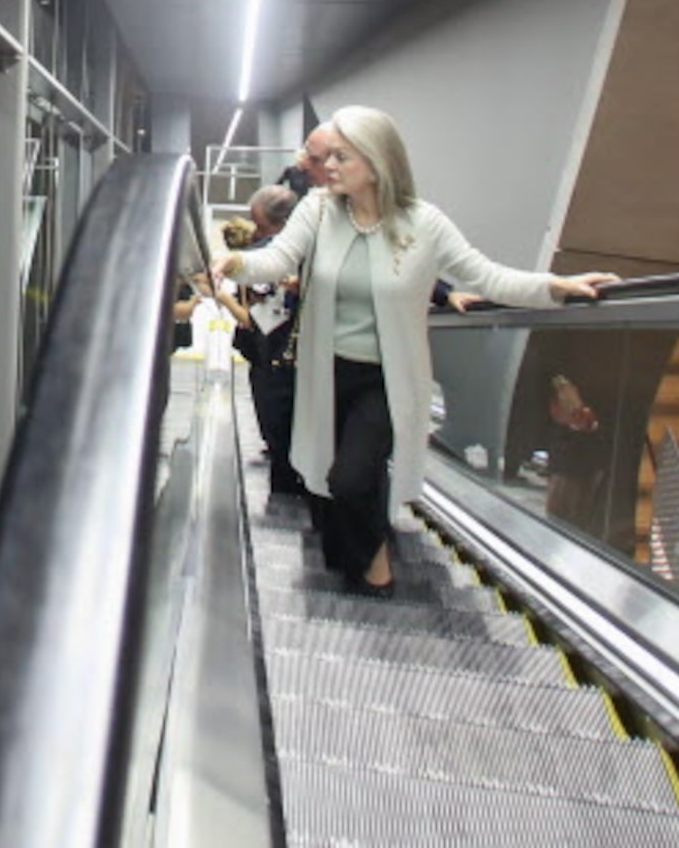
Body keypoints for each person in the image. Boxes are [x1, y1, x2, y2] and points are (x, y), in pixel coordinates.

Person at [216, 106, 617, 596]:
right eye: (330, 156)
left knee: (351, 478)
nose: (330, 167)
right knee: (324, 476)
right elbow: (276, 259)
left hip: (386, 381)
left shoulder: (423, 223)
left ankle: (377, 559)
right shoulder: (318, 211)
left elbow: (487, 275)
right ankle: (351, 561)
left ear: (377, 159)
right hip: (324, 374)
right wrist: (233, 263)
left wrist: (556, 286)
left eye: (342, 156)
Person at [228, 185, 306, 501]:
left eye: (263, 226)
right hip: (267, 354)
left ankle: (291, 487)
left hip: (290, 358)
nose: (258, 235)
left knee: (284, 424)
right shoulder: (261, 256)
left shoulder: (302, 256)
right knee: (277, 426)